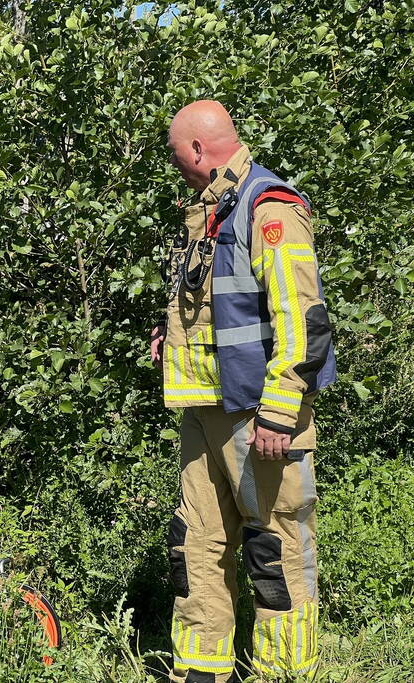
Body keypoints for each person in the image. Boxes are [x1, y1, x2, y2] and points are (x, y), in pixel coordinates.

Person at [152, 101, 336, 682]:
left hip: (260, 416)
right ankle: (202, 673)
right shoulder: (211, 209)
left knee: (275, 553)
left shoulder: (268, 205)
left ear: (199, 150)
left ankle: (285, 673)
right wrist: (170, 333)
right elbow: (218, 305)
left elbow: (302, 320)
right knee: (196, 545)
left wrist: (281, 413)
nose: (175, 165)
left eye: (177, 153)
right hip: (206, 413)